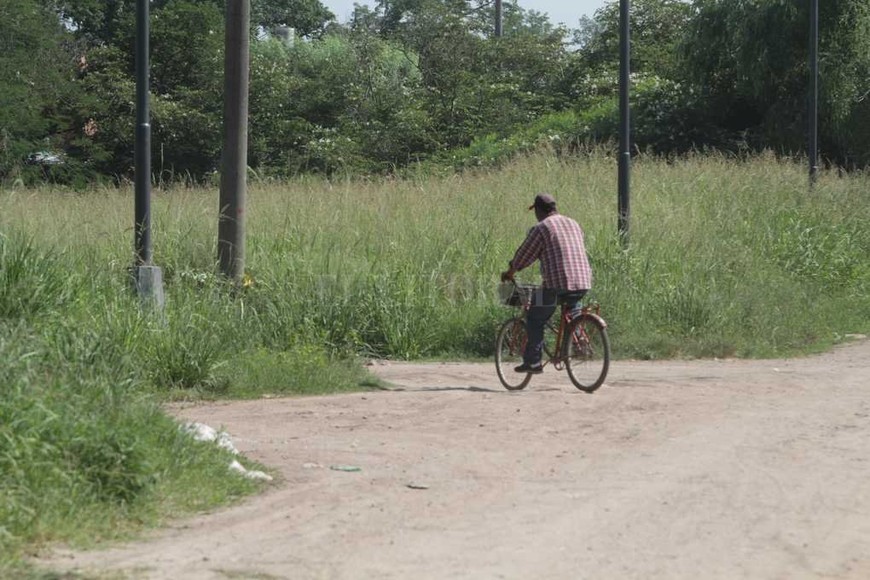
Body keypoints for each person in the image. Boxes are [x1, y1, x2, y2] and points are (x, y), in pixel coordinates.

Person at [500, 193, 592, 374]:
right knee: (573, 312)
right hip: (583, 279)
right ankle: (579, 342)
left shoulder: (542, 227)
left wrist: (510, 271)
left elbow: (524, 255)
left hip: (558, 283)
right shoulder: (573, 223)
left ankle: (533, 362)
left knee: (535, 317)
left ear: (539, 210)